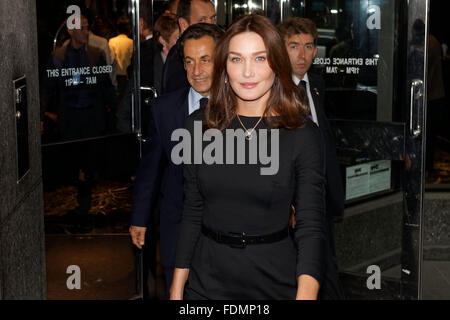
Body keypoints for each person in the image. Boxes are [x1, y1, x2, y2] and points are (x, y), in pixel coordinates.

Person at [171, 14, 328, 300]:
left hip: (274, 282)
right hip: (206, 284)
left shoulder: (301, 134)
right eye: (236, 59)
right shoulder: (198, 127)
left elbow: (310, 224)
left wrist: (306, 295)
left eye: (259, 58)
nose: (247, 72)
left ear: (277, 64)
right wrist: (176, 289)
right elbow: (192, 211)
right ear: (224, 66)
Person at [130, 23, 224, 298]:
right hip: (178, 227)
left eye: (205, 60)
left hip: (228, 234)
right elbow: (150, 170)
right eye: (189, 62)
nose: (197, 71)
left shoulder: (243, 106)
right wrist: (139, 218)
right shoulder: (165, 109)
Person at [277, 17, 345, 299]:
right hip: (292, 206)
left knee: (324, 268)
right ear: (281, 50)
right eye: (293, 47)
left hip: (323, 197)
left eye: (308, 46)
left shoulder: (316, 85)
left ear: (316, 50)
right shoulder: (273, 92)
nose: (302, 54)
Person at [41, 14, 116, 232]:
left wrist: (118, 112)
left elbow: (106, 87)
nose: (86, 32)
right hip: (70, 119)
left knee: (89, 161)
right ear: (71, 31)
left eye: (87, 28)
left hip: (92, 117)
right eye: (82, 28)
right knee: (74, 161)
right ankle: (81, 202)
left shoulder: (96, 54)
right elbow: (48, 88)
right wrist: (41, 114)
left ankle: (84, 206)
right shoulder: (58, 57)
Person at [161, 0, 216, 94]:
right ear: (184, 25)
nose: (211, 25)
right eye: (202, 20)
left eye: (213, 18)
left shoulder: (220, 45)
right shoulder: (177, 57)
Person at [153, 13, 180, 93]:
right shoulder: (153, 66)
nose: (182, 41)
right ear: (163, 40)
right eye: (178, 38)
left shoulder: (184, 61)